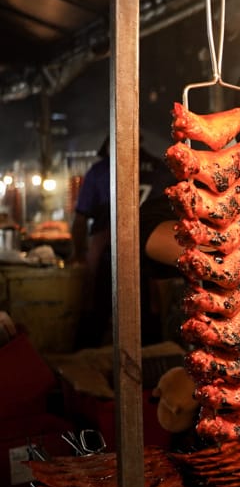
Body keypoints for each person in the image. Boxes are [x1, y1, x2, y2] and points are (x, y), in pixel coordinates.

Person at [70, 138, 175, 348]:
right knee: (151, 326)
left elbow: (80, 220)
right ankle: (153, 369)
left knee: (95, 321)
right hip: (152, 254)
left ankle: (89, 366)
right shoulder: (161, 169)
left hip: (109, 255)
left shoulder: (100, 170)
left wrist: (78, 255)